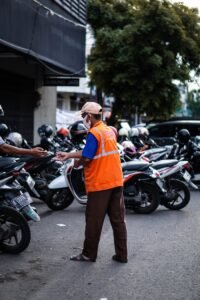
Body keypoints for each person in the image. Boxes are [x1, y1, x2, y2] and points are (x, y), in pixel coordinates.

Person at [55, 101, 128, 263]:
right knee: (118, 220)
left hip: (100, 184)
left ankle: (88, 254)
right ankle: (122, 255)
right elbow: (90, 150)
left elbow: (87, 157)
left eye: (83, 116)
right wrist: (68, 155)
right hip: (116, 181)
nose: (83, 119)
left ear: (89, 116)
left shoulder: (94, 133)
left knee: (94, 221)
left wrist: (77, 163)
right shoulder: (108, 131)